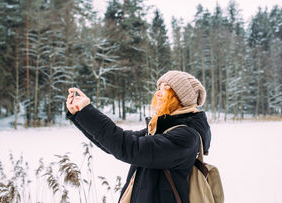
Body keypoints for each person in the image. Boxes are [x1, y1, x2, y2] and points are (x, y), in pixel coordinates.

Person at [66, 70, 211, 203]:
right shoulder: (160, 130)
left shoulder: (185, 136)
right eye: (159, 88)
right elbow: (114, 145)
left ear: (180, 98)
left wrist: (88, 112)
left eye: (166, 89)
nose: (158, 93)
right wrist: (80, 114)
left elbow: (129, 147)